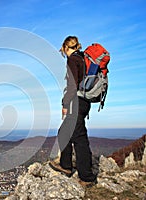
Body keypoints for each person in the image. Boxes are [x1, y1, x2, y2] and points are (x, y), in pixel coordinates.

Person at [50, 36, 97, 187]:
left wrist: (65, 103)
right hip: (83, 102)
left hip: (75, 103)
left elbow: (72, 84)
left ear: (65, 47)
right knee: (65, 132)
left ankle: (87, 177)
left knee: (79, 139)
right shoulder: (83, 59)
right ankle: (66, 166)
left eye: (63, 50)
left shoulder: (72, 60)